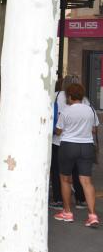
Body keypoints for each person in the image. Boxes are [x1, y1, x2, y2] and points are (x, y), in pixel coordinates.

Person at [54, 83, 99, 227]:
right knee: (86, 181)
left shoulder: (66, 112)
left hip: (68, 146)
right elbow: (94, 128)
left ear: (70, 96)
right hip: (86, 146)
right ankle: (92, 215)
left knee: (65, 179)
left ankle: (67, 212)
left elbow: (59, 131)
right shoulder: (90, 110)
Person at [50, 75, 89, 210]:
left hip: (58, 141)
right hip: (81, 142)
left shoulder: (54, 95)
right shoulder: (84, 101)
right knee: (78, 171)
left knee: (57, 172)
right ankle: (80, 199)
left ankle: (58, 200)